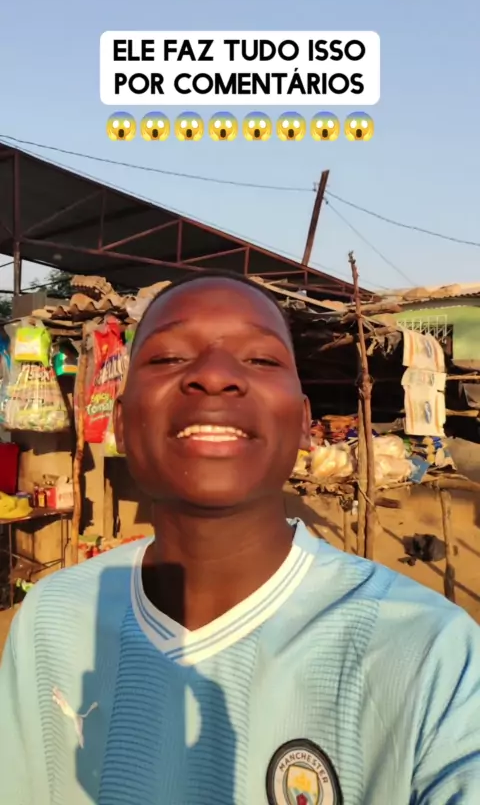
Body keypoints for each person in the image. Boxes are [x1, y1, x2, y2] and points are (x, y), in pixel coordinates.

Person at [1, 270, 479, 805]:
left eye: (261, 359)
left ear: (303, 424)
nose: (214, 375)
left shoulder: (430, 653)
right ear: (123, 422)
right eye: (169, 357)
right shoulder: (52, 618)